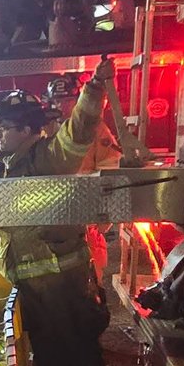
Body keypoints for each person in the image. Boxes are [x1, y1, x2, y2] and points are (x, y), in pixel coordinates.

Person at [0, 58, 116, 366]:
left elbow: (79, 131)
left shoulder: (48, 159)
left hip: (61, 277)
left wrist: (94, 91)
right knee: (46, 340)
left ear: (26, 129)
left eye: (4, 127)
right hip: (25, 279)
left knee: (77, 338)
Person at [44, 74, 122, 281]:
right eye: (57, 101)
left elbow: (110, 168)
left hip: (86, 214)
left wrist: (103, 213)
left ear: (78, 100)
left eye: (68, 100)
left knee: (90, 273)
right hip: (55, 215)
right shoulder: (47, 131)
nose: (62, 106)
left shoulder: (96, 130)